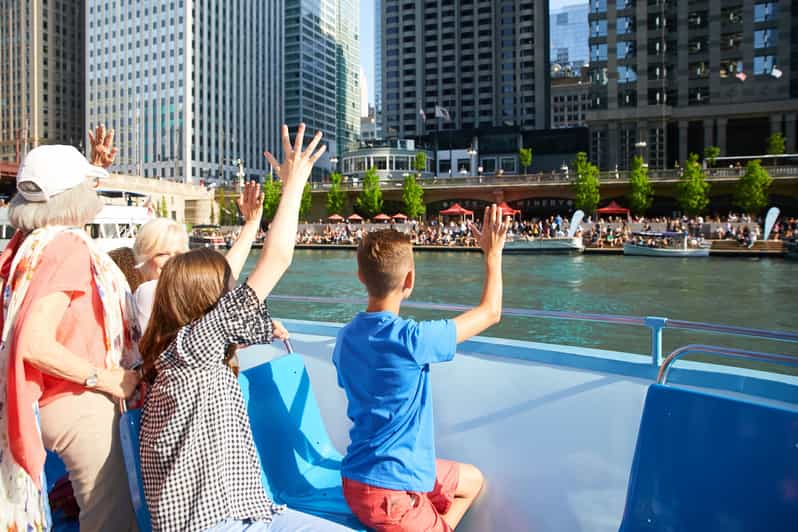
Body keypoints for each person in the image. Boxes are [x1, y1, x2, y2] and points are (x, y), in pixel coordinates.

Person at [139, 124, 346, 531]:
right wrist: (296, 183)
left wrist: (253, 221)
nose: (239, 291)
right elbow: (277, 260)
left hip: (247, 509)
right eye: (229, 290)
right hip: (216, 523)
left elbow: (227, 277)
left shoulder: (179, 347)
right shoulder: (194, 347)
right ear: (208, 302)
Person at [333, 204, 510, 531]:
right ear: (409, 280)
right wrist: (492, 255)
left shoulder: (345, 338)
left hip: (359, 478)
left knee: (472, 481)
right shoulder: (413, 339)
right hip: (386, 493)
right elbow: (491, 312)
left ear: (360, 277)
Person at [0, 125, 140, 531]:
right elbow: (34, 342)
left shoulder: (28, 244)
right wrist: (107, 378)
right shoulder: (70, 248)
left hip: (39, 401)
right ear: (76, 195)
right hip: (79, 402)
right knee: (111, 520)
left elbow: (56, 198)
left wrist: (92, 167)